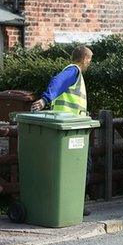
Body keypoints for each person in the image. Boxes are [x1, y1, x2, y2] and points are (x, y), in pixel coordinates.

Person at [31, 45, 93, 215]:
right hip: (70, 128)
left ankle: (73, 204)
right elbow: (57, 82)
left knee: (73, 168)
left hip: (70, 127)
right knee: (82, 167)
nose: (90, 63)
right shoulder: (73, 71)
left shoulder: (73, 73)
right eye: (90, 60)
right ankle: (75, 204)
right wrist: (44, 99)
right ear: (85, 59)